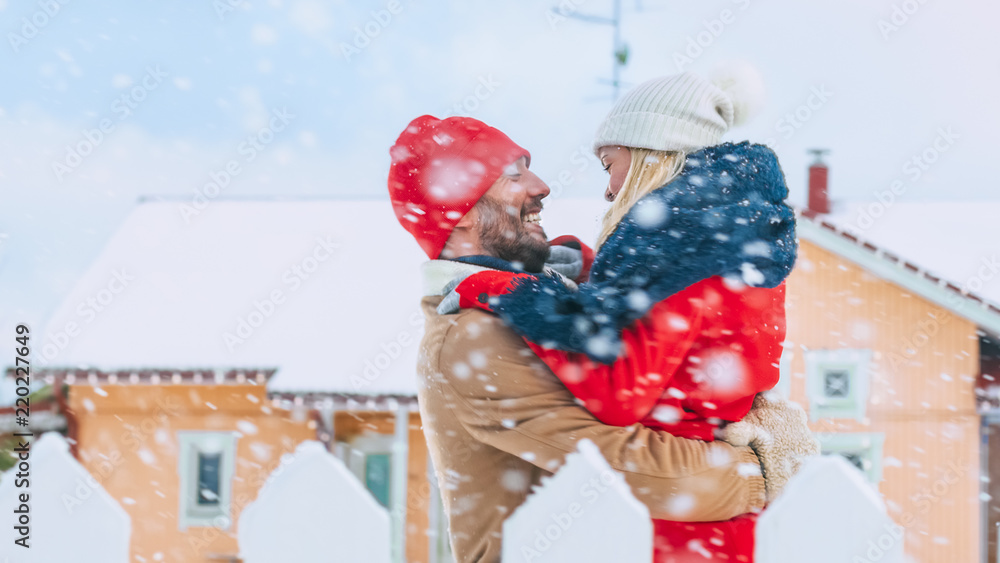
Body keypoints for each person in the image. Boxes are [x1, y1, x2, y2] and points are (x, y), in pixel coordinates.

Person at [388, 113, 812, 562]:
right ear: (461, 215)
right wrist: (764, 468)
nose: (541, 186)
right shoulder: (472, 337)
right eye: (512, 174)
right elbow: (656, 478)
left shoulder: (566, 299)